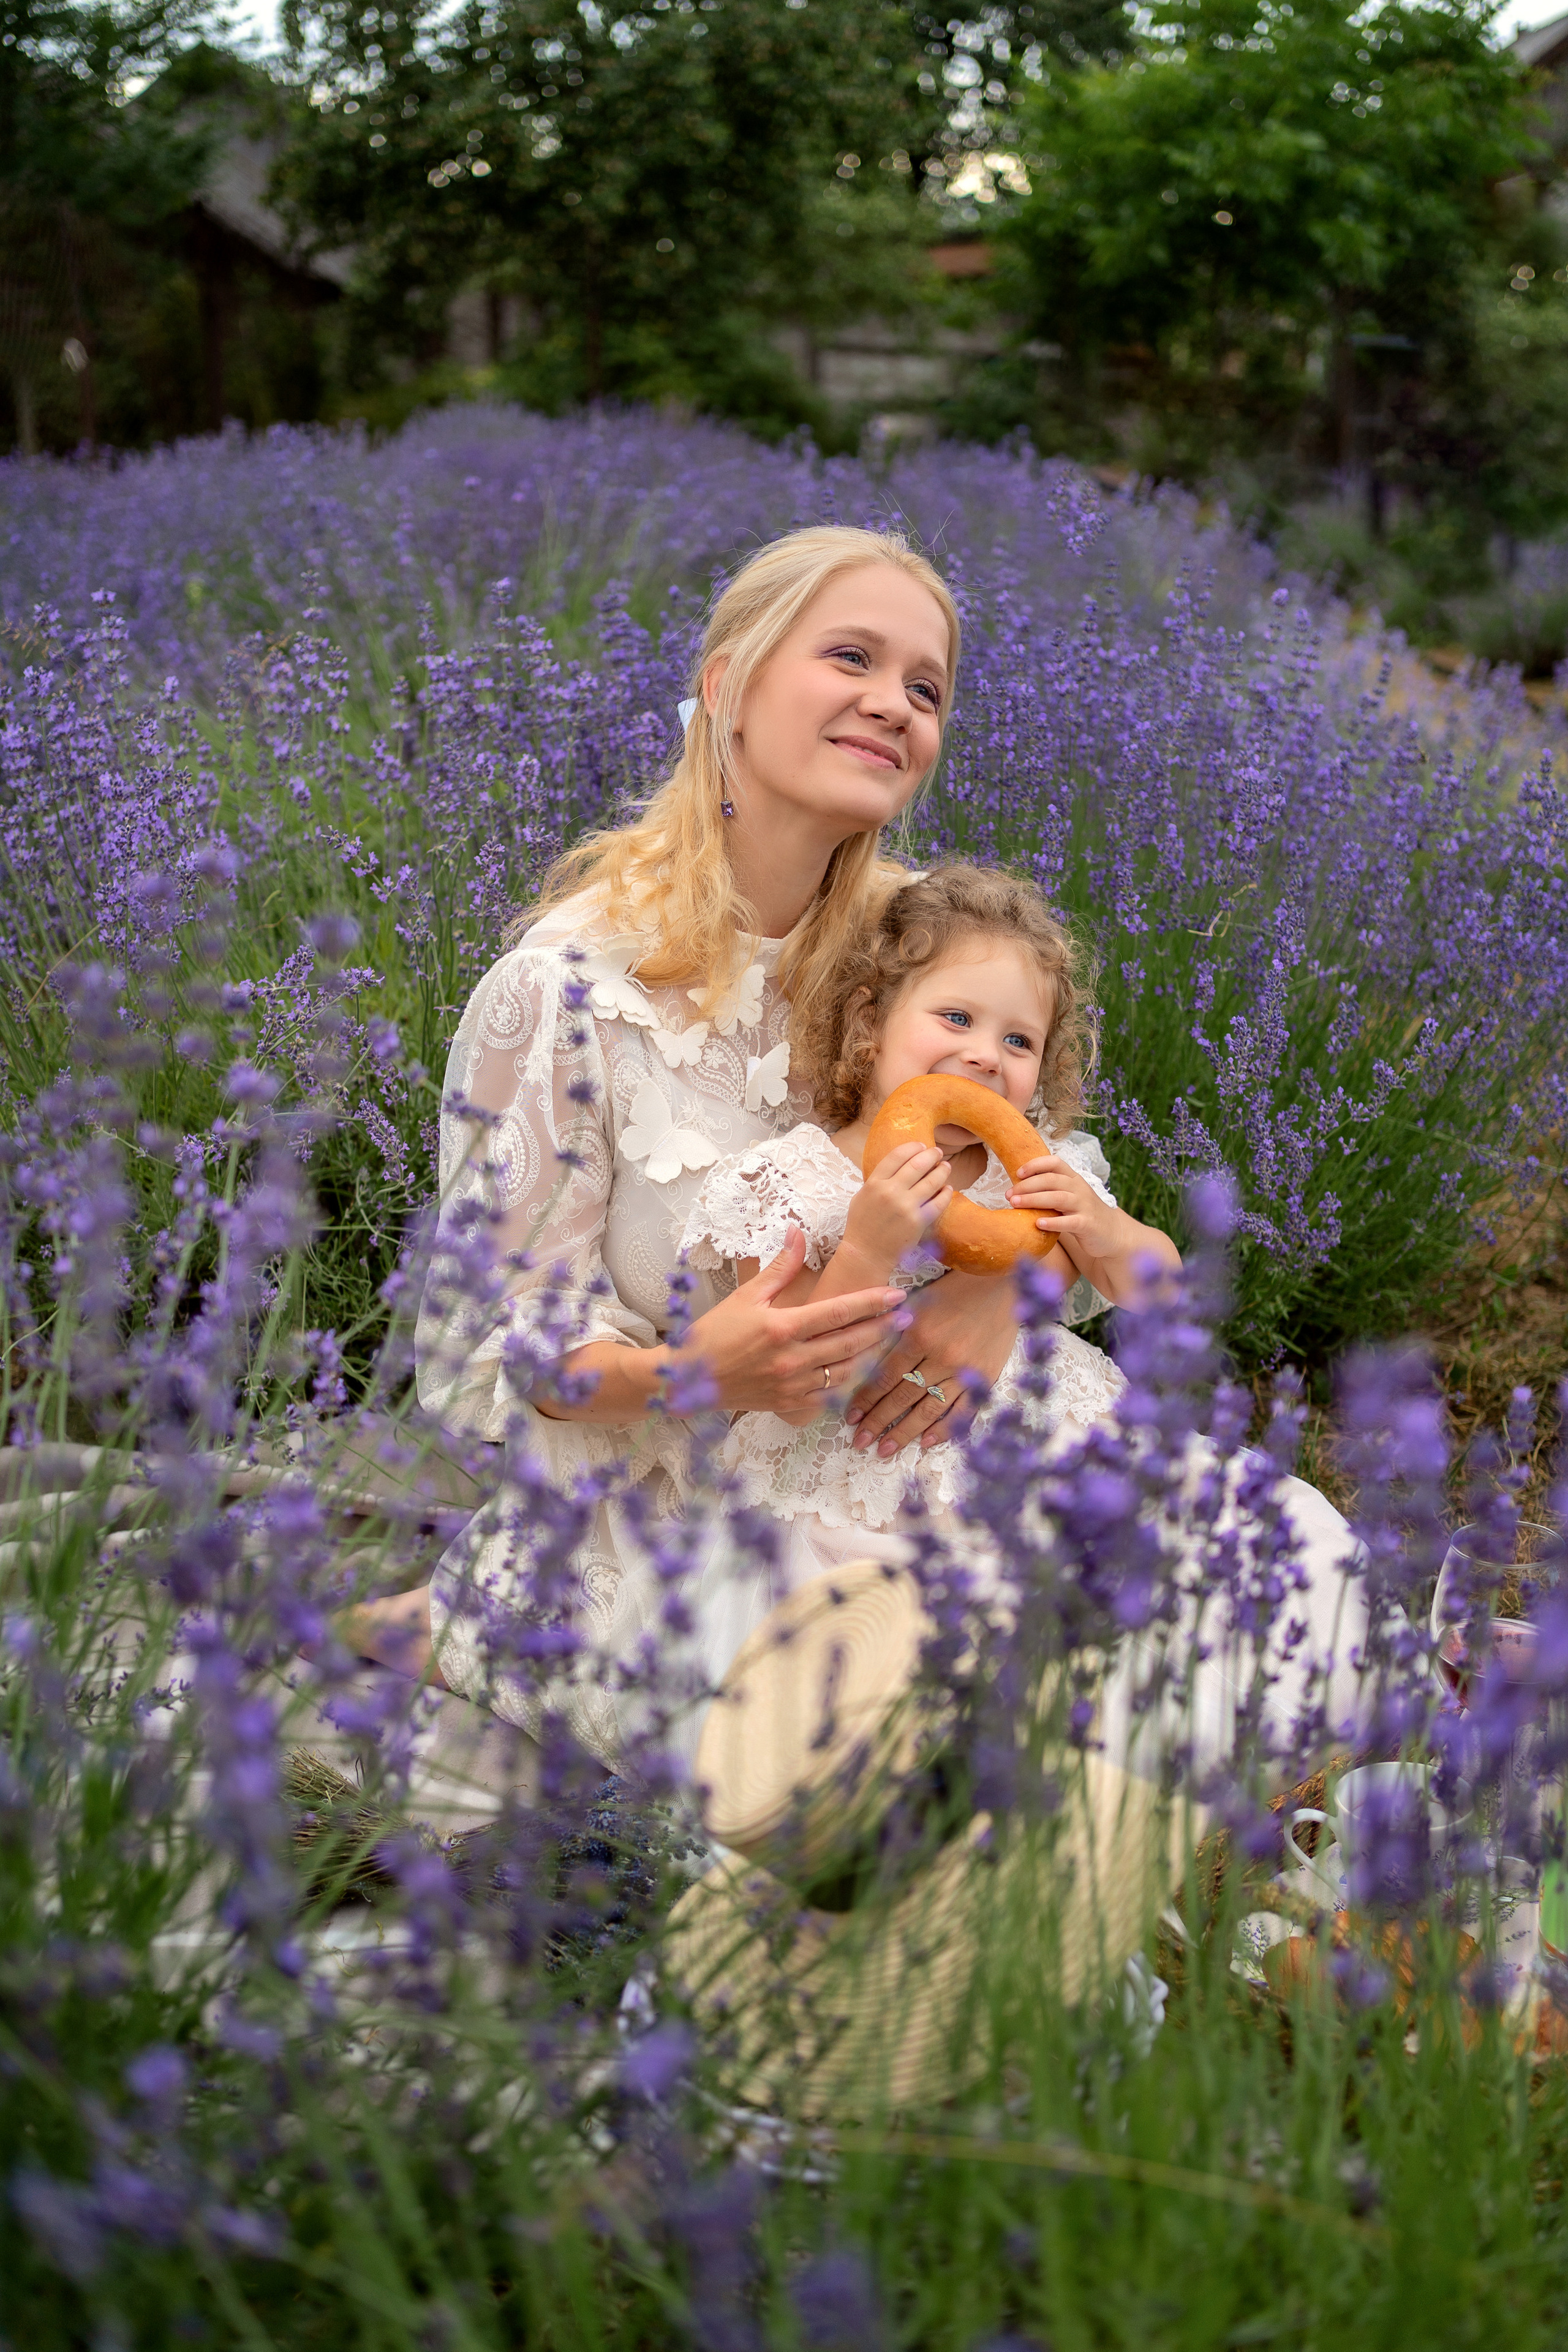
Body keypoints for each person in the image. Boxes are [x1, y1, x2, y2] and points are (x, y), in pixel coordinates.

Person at [347, 524, 1028, 1760]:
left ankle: (446, 1615)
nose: (892, 704)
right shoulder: (560, 990)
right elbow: (489, 1366)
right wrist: (693, 1374)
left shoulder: (921, 952)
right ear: (727, 684)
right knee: (878, 1743)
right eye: (851, 659)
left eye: (923, 688)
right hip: (663, 1514)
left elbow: (1052, 1159)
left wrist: (1000, 1286)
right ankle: (477, 1616)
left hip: (881, 1462)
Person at [678, 861, 1177, 1572]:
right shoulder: (792, 1179)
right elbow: (788, 1386)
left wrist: (1104, 1229)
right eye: (957, 1017)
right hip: (857, 1496)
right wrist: (866, 1249)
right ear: (872, 1021)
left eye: (1019, 1041)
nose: (983, 1054)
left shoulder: (1036, 1173)